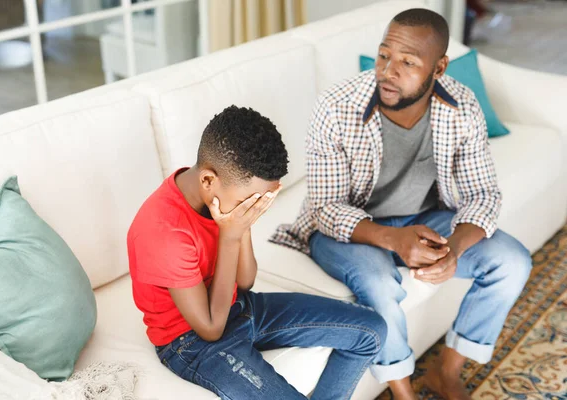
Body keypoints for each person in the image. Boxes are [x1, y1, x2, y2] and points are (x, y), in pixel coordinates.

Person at [271, 8, 532, 400]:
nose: (388, 71)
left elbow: (483, 194)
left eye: (408, 62)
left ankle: (446, 374)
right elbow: (325, 208)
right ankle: (402, 391)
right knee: (376, 282)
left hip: (428, 220)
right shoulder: (336, 107)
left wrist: (454, 251)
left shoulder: (461, 106)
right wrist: (394, 240)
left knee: (512, 261)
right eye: (384, 55)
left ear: (439, 68)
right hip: (348, 230)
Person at [127, 105, 387, 400]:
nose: (253, 208)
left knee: (371, 330)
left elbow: (245, 281)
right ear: (208, 180)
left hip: (238, 307)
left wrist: (244, 224)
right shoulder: (166, 232)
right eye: (249, 201)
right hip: (190, 341)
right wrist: (230, 235)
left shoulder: (221, 196)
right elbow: (211, 328)